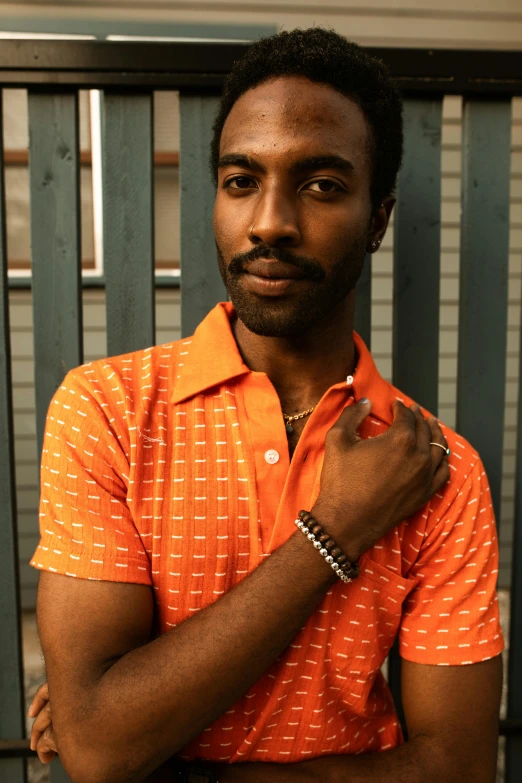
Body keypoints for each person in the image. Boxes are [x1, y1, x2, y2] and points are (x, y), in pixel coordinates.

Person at [28, 26, 504, 783]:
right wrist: (334, 531)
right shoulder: (109, 410)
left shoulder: (436, 469)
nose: (271, 222)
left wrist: (177, 763)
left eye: (321, 185)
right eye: (241, 180)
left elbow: (459, 763)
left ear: (378, 219)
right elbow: (98, 746)